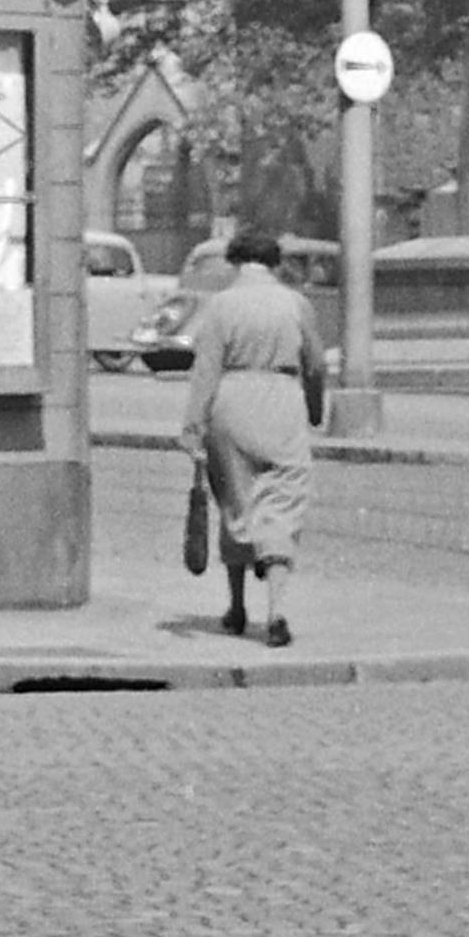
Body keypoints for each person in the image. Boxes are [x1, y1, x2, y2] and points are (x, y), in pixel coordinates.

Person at [176, 211, 330, 652]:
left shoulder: (222, 305)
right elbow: (315, 365)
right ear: (274, 263)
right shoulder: (295, 304)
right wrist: (316, 409)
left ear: (235, 262)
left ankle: (237, 606)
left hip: (231, 401)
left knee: (236, 502)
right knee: (283, 499)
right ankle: (276, 610)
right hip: (282, 399)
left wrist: (193, 426)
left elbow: (205, 370)